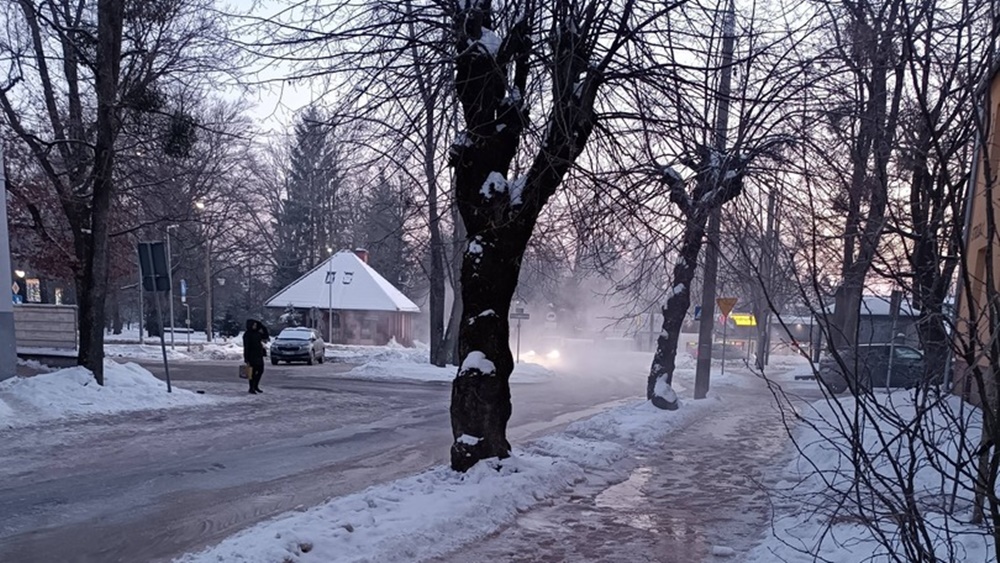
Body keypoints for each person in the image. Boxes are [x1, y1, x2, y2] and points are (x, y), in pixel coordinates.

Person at [243, 319, 270, 394]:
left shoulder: (257, 333)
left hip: (259, 355)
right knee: (252, 373)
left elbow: (265, 336)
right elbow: (246, 347)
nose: (255, 326)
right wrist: (246, 358)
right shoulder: (247, 334)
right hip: (252, 356)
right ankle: (251, 388)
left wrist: (262, 326)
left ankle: (256, 386)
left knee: (260, 371)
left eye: (255, 325)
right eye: (253, 325)